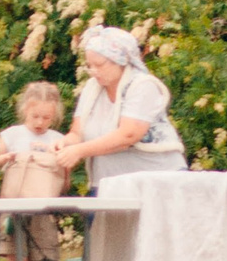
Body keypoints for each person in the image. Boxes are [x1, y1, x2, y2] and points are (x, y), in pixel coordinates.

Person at [52, 25, 185, 184]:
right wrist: (65, 144)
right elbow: (77, 133)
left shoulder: (142, 85)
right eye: (89, 66)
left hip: (156, 180)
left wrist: (79, 151)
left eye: (99, 65)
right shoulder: (91, 88)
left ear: (119, 61)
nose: (93, 71)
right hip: (109, 182)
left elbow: (128, 135)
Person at [0, 81, 68, 261]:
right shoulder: (11, 135)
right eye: (35, 116)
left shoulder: (58, 140)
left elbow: (65, 181)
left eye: (46, 118)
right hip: (13, 208)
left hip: (43, 211)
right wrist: (1, 159)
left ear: (54, 116)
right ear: (25, 110)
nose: (40, 122)